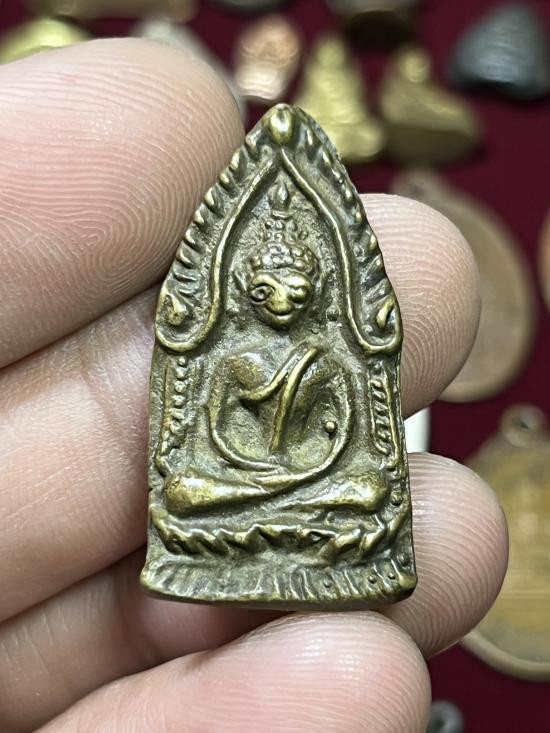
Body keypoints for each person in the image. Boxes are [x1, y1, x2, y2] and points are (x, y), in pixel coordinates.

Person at [0, 38, 508, 732]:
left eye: (297, 288)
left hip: (313, 486)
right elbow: (203, 438)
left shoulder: (325, 358)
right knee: (186, 493)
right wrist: (256, 478)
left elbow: (349, 442)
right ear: (243, 287)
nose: (283, 302)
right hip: (236, 486)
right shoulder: (233, 359)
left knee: (367, 493)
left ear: (318, 287)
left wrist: (305, 476)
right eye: (267, 289)